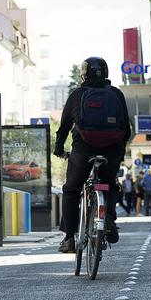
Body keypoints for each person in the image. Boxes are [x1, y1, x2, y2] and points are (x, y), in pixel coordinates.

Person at [54, 57, 131, 253]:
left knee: (71, 190)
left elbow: (63, 127)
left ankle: (69, 238)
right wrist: (119, 152)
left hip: (83, 150)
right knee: (109, 185)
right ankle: (110, 220)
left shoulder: (78, 94)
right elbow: (126, 128)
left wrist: (59, 148)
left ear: (84, 73)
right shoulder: (116, 94)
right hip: (111, 150)